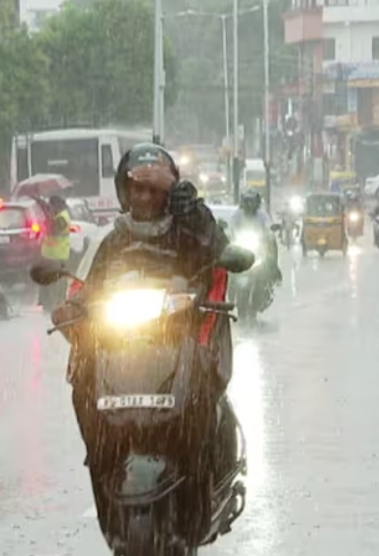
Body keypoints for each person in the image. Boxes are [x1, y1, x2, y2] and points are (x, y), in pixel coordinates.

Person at [49, 143, 238, 530]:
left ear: (169, 192)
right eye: (138, 187)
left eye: (155, 189)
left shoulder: (188, 231)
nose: (145, 197)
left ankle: (203, 482)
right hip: (120, 350)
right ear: (124, 190)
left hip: (181, 346)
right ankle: (103, 463)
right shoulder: (109, 239)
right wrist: (72, 311)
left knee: (205, 390)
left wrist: (189, 201)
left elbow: (220, 249)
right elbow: (82, 290)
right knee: (81, 382)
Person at [229, 190, 282, 283]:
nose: (249, 204)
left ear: (256, 203)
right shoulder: (237, 214)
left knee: (272, 243)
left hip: (259, 243)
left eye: (251, 202)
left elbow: (268, 225)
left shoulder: (262, 214)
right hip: (240, 244)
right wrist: (231, 235)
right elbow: (232, 226)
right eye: (246, 201)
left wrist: (270, 229)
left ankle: (274, 270)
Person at [39, 195, 72, 309]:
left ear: (56, 205)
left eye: (51, 206)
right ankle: (48, 303)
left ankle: (58, 303)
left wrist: (49, 218)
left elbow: (54, 230)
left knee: (57, 283)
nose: (50, 208)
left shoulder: (62, 217)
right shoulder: (57, 216)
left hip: (59, 256)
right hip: (50, 255)